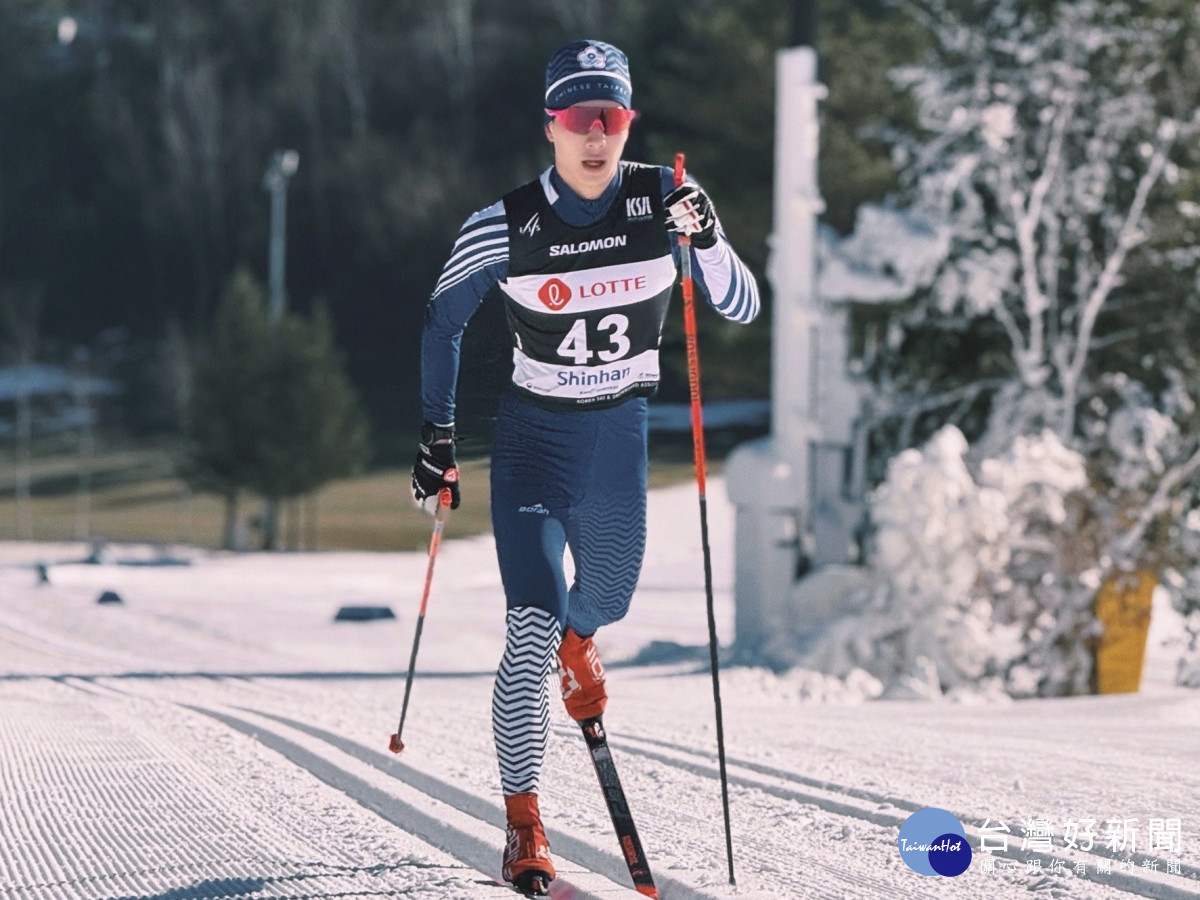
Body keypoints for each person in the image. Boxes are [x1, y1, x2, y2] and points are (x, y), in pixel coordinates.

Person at [411, 38, 760, 895]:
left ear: (628, 122)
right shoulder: (504, 223)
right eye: (580, 120)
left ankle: (582, 638)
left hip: (617, 447)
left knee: (602, 602)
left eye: (611, 118)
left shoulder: (666, 201)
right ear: (552, 128)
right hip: (533, 446)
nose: (597, 136)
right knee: (529, 628)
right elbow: (440, 320)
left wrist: (709, 241)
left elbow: (744, 305)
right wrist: (437, 439)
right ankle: (524, 824)